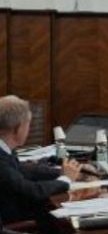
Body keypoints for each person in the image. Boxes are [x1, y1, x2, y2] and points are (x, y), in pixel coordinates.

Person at [0, 96, 90, 227]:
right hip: (11, 224)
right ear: (18, 128)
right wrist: (65, 180)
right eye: (28, 125)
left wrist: (67, 173)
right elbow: (32, 191)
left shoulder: (5, 149)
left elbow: (22, 170)